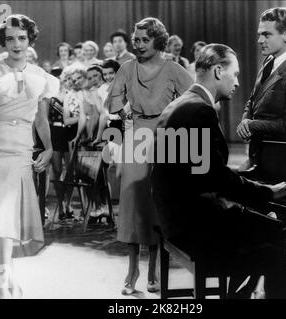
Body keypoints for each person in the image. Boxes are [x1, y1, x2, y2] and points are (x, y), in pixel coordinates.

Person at [152, 43, 286, 299]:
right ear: (218, 71)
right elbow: (218, 178)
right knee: (284, 233)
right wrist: (266, 192)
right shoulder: (200, 110)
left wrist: (256, 193)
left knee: (269, 226)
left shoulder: (180, 105)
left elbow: (205, 174)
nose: (239, 82)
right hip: (196, 225)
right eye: (236, 74)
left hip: (176, 217)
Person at [0, 14, 56, 298]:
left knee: (9, 216)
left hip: (21, 152)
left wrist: (50, 147)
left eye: (21, 38)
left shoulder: (42, 78)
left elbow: (41, 120)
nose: (16, 44)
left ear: (30, 39)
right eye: (10, 39)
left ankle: (6, 275)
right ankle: (2, 279)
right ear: (3, 42)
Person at [104, 17, 193, 295]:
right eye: (137, 40)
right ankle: (132, 270)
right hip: (135, 138)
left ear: (158, 41)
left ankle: (154, 267)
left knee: (157, 205)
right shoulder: (128, 68)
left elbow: (196, 99)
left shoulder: (174, 69)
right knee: (132, 206)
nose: (139, 45)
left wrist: (174, 116)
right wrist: (126, 112)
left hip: (167, 139)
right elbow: (112, 101)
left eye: (145, 40)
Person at [237, 7, 286, 165]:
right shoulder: (268, 61)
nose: (259, 40)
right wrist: (245, 121)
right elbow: (253, 99)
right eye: (260, 34)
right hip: (258, 154)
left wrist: (252, 125)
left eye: (266, 34)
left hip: (278, 161)